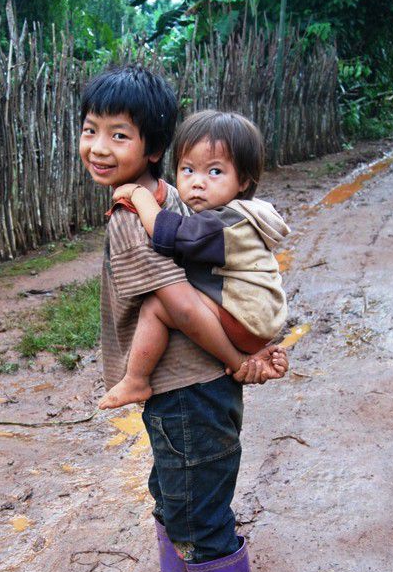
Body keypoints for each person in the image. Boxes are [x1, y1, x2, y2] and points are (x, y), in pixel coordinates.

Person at [79, 65, 288, 572]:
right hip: (182, 392)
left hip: (191, 391)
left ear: (152, 147)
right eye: (90, 130)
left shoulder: (138, 214)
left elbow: (182, 304)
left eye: (119, 135)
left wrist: (235, 360)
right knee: (173, 497)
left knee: (200, 512)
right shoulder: (167, 199)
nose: (98, 147)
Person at [99, 109, 290, 410]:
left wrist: (139, 195)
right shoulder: (241, 213)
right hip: (255, 318)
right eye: (188, 169)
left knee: (157, 306)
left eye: (214, 172)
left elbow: (167, 232)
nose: (198, 182)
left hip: (243, 319)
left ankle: (136, 379)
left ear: (243, 181)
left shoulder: (222, 224)